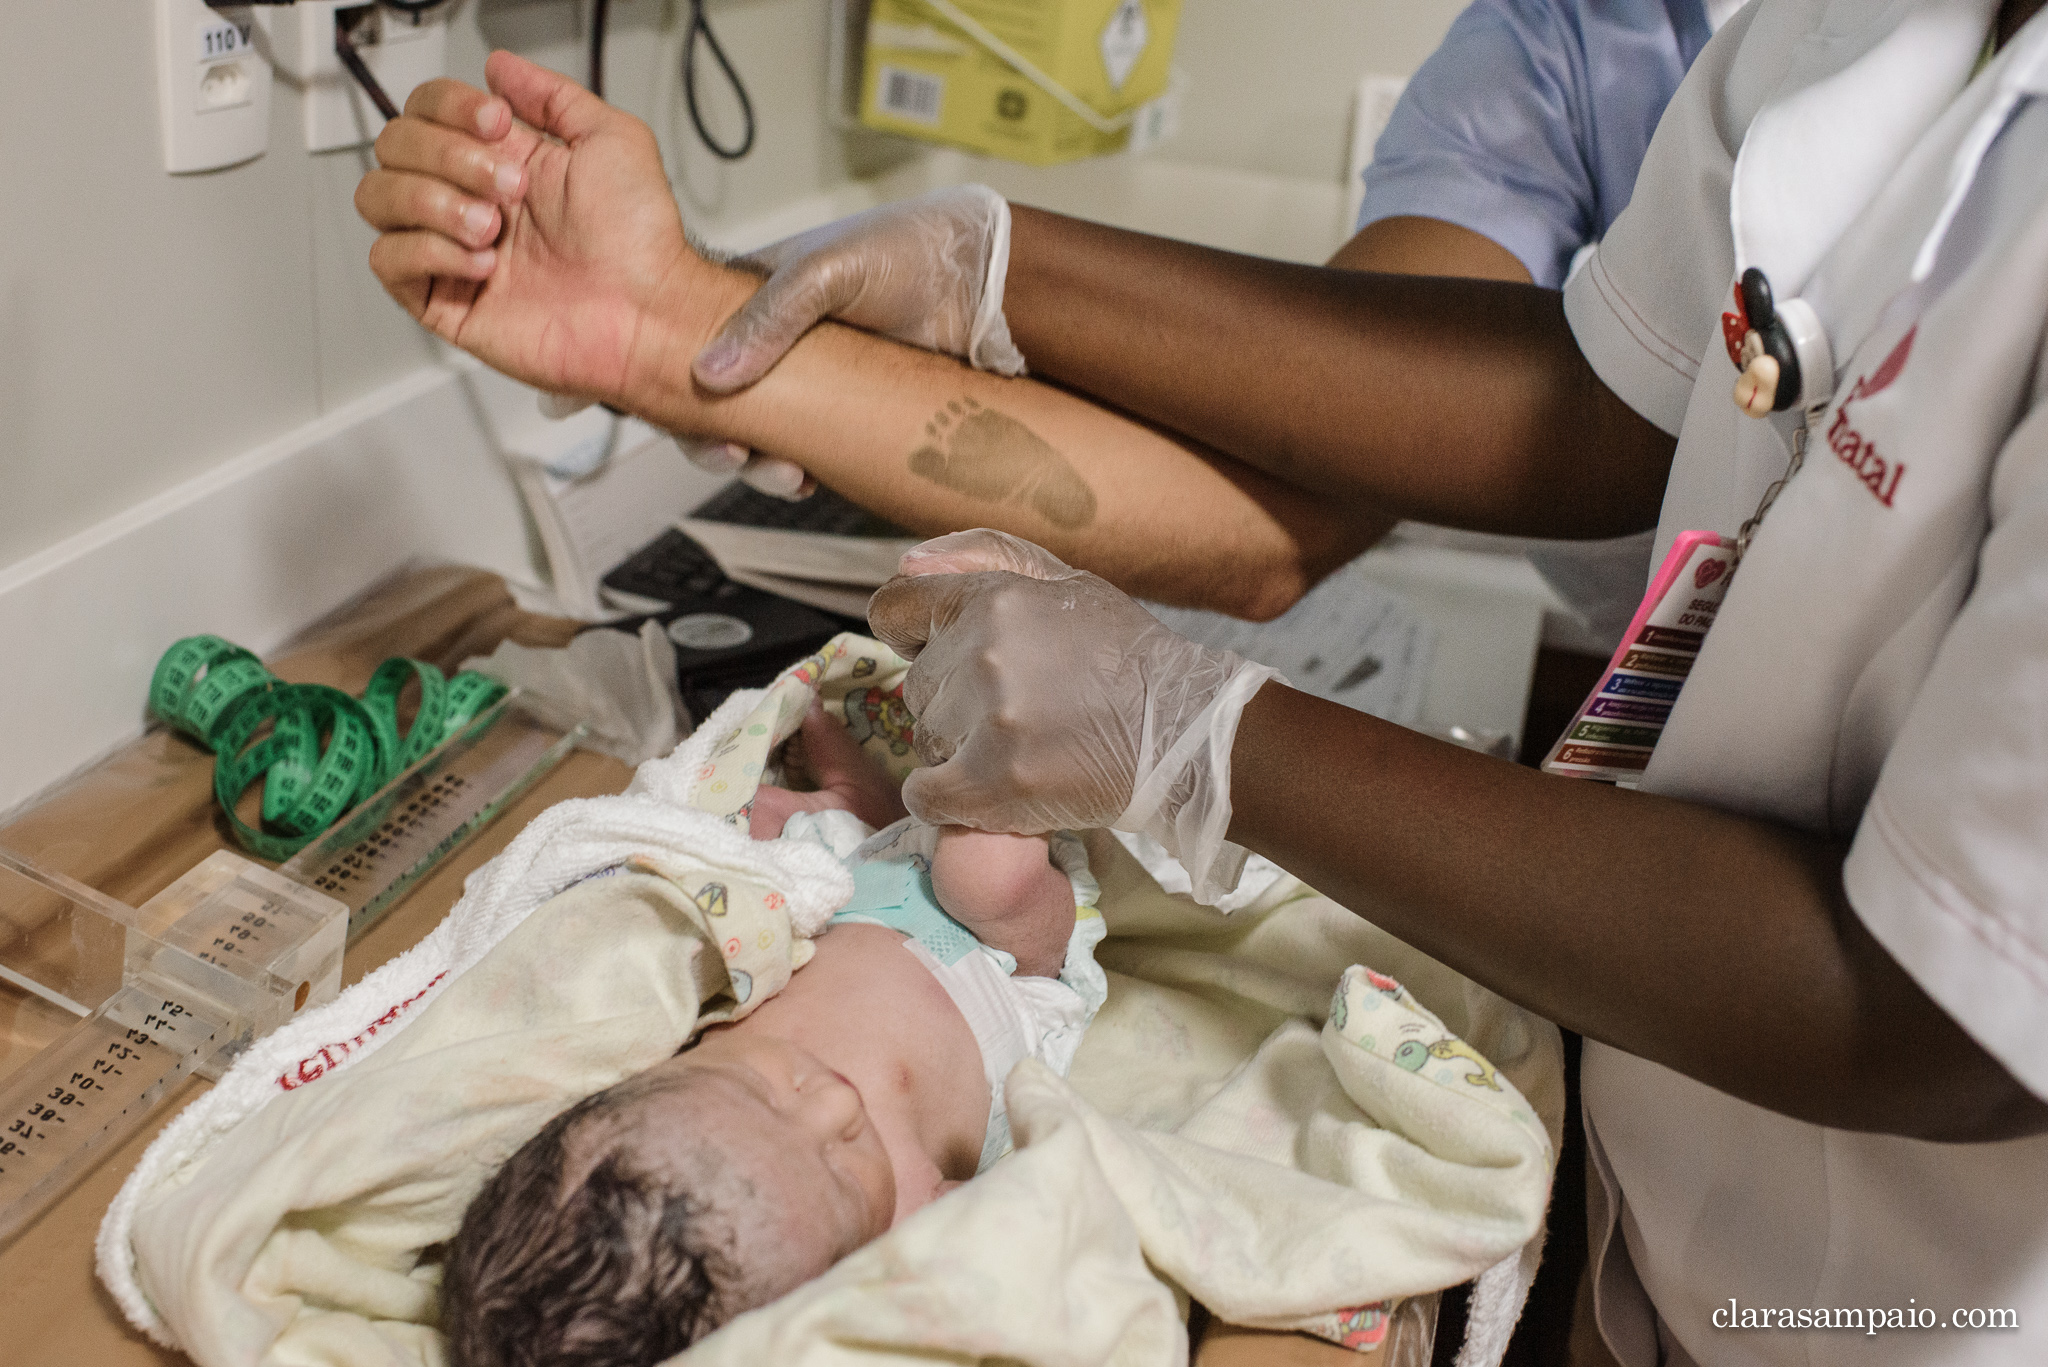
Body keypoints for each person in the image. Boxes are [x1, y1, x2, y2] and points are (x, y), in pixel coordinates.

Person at [356, 0, 2048, 1359]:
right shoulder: (1826, 33)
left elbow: (1944, 1000)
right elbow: (1578, 399)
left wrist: (1195, 732)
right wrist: (746, 312)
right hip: (1653, 1163)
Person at [439, 701, 1104, 1366]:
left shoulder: (668, 1054)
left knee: (746, 819)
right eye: (842, 1176)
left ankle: (860, 797)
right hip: (1004, 968)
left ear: (648, 1078)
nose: (837, 1103)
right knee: (988, 874)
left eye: (762, 1089)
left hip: (859, 888)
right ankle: (1031, 715)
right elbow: (1030, 1218)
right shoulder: (904, 1224)